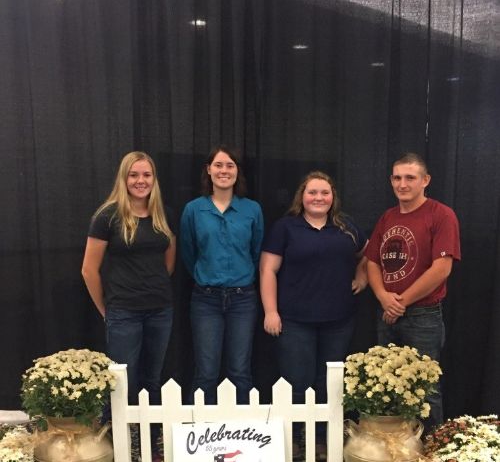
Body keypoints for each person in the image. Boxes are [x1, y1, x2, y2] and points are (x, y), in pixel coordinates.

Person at [81, 151, 176, 452]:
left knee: (153, 378)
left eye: (146, 175)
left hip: (160, 309)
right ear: (124, 179)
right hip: (124, 312)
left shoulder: (161, 214)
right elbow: (88, 269)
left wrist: (153, 284)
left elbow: (168, 261)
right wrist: (106, 310)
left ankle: (152, 447)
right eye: (134, 175)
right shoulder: (107, 216)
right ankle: (113, 448)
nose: (140, 181)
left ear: (154, 179)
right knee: (122, 382)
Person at [365, 152, 461, 427]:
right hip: (387, 313)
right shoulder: (388, 217)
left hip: (423, 317)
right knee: (386, 387)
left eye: (410, 177)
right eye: (397, 177)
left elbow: (441, 269)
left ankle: (430, 457)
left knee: (425, 390)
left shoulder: (441, 215)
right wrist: (384, 297)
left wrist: (400, 303)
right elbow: (372, 262)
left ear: (425, 180)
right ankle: (394, 453)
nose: (402, 184)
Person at [260, 170, 368, 412]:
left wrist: (363, 277)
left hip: (339, 320)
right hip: (295, 321)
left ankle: (322, 441)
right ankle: (297, 439)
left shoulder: (346, 226)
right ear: (302, 196)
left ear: (333, 197)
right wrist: (270, 311)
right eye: (312, 192)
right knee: (297, 382)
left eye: (324, 192)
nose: (318, 197)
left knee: (329, 385)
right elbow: (267, 270)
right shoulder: (286, 227)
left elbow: (369, 254)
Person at [180, 145, 264, 404]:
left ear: (237, 171)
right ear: (208, 170)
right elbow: (187, 251)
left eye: (230, 165)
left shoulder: (252, 210)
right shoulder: (194, 210)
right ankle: (202, 434)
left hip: (243, 298)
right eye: (218, 165)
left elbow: (257, 251)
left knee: (240, 371)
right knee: (206, 372)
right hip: (206, 299)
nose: (224, 171)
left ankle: (243, 433)